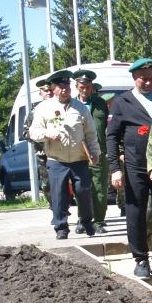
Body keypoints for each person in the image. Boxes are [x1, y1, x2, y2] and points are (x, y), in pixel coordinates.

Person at [107, 58, 152, 280]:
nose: (149, 83)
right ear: (134, 78)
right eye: (144, 79)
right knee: (136, 211)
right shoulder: (122, 102)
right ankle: (141, 259)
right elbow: (112, 137)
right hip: (135, 166)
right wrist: (115, 168)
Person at [27, 69, 100, 239]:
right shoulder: (43, 108)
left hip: (79, 158)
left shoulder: (80, 108)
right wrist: (47, 134)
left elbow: (90, 133)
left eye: (67, 86)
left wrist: (95, 153)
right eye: (61, 87)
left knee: (83, 191)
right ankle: (61, 227)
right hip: (56, 159)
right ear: (53, 88)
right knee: (59, 195)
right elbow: (33, 132)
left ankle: (87, 221)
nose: (65, 90)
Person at [72, 70, 110, 234]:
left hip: (98, 152)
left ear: (92, 87)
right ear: (77, 86)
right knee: (81, 188)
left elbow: (108, 128)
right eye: (82, 87)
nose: (85, 90)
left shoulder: (100, 103)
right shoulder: (71, 105)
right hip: (78, 153)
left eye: (88, 87)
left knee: (99, 189)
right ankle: (82, 219)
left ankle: (99, 221)